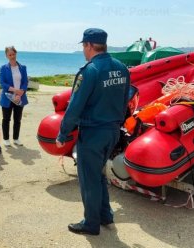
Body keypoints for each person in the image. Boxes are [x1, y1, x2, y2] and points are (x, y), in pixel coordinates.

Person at [56, 28, 130, 235]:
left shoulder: (90, 71)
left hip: (93, 134)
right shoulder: (122, 68)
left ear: (88, 45)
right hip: (113, 132)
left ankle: (91, 223)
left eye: (83, 46)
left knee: (89, 179)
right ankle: (105, 216)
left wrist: (63, 134)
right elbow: (125, 100)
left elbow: (75, 106)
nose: (83, 50)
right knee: (98, 175)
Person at [0, 46, 28, 147]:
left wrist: (21, 92)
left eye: (13, 54)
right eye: (9, 55)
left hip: (20, 97)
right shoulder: (3, 68)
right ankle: (6, 139)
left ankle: (16, 138)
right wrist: (16, 91)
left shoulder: (23, 67)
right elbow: (2, 83)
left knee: (17, 119)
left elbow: (25, 82)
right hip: (7, 97)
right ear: (6, 56)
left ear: (16, 53)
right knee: (6, 119)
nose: (12, 56)